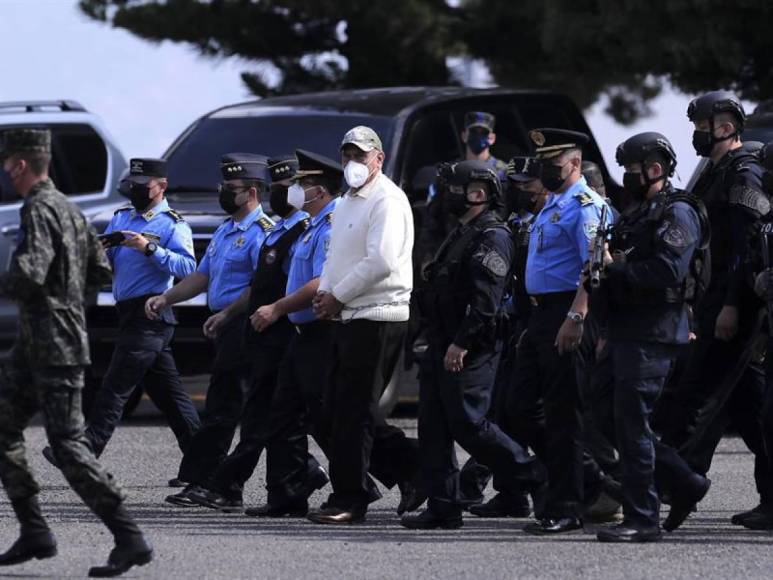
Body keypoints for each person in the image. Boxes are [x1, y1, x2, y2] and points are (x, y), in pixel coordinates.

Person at [0, 128, 152, 577]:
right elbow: (101, 270)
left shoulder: (39, 208)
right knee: (4, 429)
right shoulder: (70, 209)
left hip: (53, 348)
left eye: (8, 163)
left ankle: (129, 537)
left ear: (20, 165)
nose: (6, 171)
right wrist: (69, 308)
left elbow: (30, 273)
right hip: (40, 344)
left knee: (67, 445)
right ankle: (35, 531)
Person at [400, 160, 544, 530]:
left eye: (453, 188)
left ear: (478, 193)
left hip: (470, 346)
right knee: (433, 426)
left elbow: (486, 300)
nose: (446, 196)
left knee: (470, 424)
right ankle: (443, 505)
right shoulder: (461, 232)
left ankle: (537, 476)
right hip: (440, 340)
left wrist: (462, 343)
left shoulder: (492, 235)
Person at [186, 152, 327, 513]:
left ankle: (227, 484)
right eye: (277, 187)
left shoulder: (301, 229)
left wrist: (275, 309)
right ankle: (294, 484)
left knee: (275, 415)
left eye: (286, 187)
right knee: (274, 416)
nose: (280, 194)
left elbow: (302, 281)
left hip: (286, 330)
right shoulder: (279, 230)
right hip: (260, 330)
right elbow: (259, 283)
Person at [43, 158, 200, 474]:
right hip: (127, 312)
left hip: (152, 312)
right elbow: (110, 266)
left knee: (114, 387)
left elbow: (188, 269)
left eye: (143, 187)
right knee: (171, 398)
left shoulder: (172, 224)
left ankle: (83, 452)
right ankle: (205, 462)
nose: (136, 191)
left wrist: (149, 249)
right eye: (132, 186)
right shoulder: (121, 218)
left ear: (161, 186)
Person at [593, 132, 709, 542]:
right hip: (626, 329)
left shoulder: (677, 213)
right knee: (602, 411)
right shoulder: (637, 212)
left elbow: (667, 271)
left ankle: (643, 517)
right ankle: (685, 481)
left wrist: (616, 268)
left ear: (655, 170)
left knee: (631, 423)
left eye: (632, 170)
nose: (626, 177)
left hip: (654, 331)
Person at [667, 91, 773, 526]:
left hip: (736, 308)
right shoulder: (716, 172)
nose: (695, 134)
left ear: (724, 127)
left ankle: (679, 483)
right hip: (714, 303)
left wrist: (730, 305)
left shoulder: (742, 175)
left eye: (700, 126)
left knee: (698, 396)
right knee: (752, 409)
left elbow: (749, 249)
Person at [147, 153, 275, 507]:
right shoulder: (225, 229)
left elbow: (259, 287)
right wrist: (167, 297)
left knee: (225, 407)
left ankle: (209, 483)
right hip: (225, 325)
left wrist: (228, 314)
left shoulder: (263, 233)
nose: (223, 193)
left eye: (230, 188)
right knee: (243, 407)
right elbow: (202, 276)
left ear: (251, 192)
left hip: (245, 325)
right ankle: (299, 471)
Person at [309, 126, 422, 524]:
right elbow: (333, 257)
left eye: (361, 155)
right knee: (335, 409)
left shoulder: (387, 200)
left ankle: (349, 497)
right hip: (347, 313)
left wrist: (338, 295)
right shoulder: (345, 203)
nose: (352, 163)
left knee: (354, 412)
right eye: (346, 155)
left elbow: (382, 261)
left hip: (378, 313)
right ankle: (416, 469)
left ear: (379, 158)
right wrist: (325, 294)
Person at [513, 128, 607, 535]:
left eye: (552, 165)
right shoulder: (554, 205)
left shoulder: (586, 205)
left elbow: (596, 263)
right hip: (541, 314)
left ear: (573, 163)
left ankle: (568, 505)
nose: (545, 173)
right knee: (516, 408)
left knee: (564, 414)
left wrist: (577, 316)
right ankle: (590, 479)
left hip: (569, 310)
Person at [461, 155, 547, 517]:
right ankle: (512, 494)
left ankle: (557, 483)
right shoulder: (512, 223)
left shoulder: (552, 219)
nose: (519, 190)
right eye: (514, 183)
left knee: (529, 412)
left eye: (526, 183)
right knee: (502, 411)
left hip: (545, 324)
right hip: (511, 326)